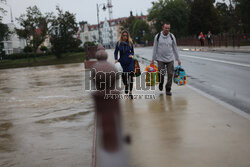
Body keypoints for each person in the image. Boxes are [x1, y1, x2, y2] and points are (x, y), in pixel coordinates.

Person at [151, 22, 181, 96]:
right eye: (166, 28)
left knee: (170, 74)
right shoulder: (157, 36)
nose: (167, 29)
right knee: (161, 74)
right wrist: (153, 59)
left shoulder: (172, 36)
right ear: (163, 28)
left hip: (170, 59)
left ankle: (168, 89)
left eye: (168, 28)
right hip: (160, 59)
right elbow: (154, 48)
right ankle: (161, 83)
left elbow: (175, 48)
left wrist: (178, 59)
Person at [114, 30, 135, 99]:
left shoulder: (130, 43)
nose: (125, 37)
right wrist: (116, 59)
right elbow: (115, 52)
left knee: (130, 76)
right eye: (124, 35)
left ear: (128, 36)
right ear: (122, 36)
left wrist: (131, 55)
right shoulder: (118, 43)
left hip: (130, 61)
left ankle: (131, 92)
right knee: (123, 76)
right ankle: (126, 85)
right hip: (122, 61)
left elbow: (132, 52)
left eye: (126, 35)